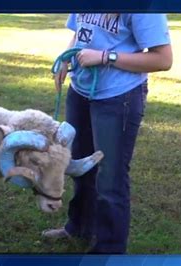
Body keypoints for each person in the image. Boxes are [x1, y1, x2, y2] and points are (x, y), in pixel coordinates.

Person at [42, 14, 172, 253]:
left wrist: (105, 57)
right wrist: (65, 59)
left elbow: (163, 59)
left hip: (118, 98)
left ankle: (109, 250)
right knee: (80, 166)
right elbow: (81, 32)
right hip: (80, 91)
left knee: (110, 178)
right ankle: (79, 228)